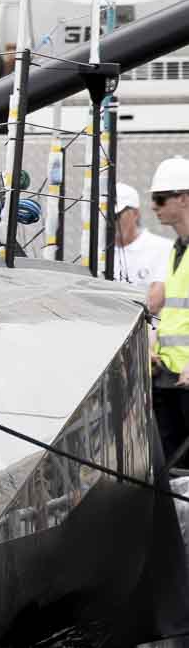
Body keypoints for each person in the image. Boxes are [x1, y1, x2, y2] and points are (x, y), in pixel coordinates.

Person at [146, 156, 189, 462]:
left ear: (184, 198)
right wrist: (152, 344)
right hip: (169, 376)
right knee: (173, 468)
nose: (153, 206)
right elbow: (173, 311)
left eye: (160, 198)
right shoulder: (178, 249)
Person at [112, 183, 172, 287]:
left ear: (135, 214)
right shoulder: (96, 252)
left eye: (116, 216)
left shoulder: (164, 250)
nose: (110, 222)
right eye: (105, 215)